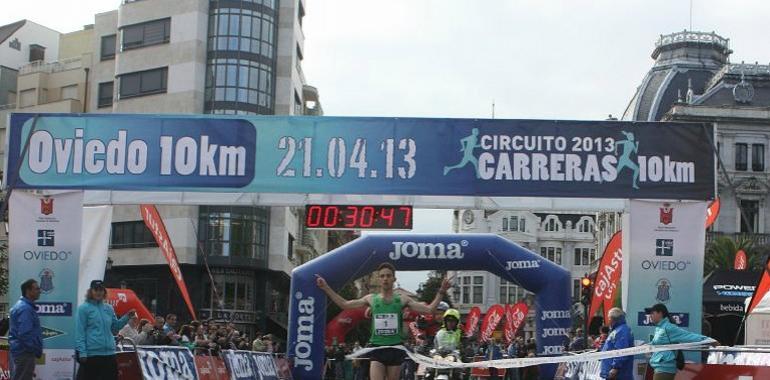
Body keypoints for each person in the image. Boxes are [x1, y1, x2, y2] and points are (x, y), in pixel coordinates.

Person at [317, 263, 451, 380]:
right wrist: (325, 287)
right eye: (382, 276)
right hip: (377, 348)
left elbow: (429, 310)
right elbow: (345, 304)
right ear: (379, 279)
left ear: (394, 278)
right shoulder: (371, 299)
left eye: (388, 276)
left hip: (395, 348)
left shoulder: (402, 299)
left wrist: (442, 291)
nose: (385, 278)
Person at [75, 280, 135, 380]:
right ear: (91, 291)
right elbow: (79, 332)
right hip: (91, 355)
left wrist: (127, 317)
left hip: (109, 354)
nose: (99, 292)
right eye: (96, 290)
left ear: (104, 292)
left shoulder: (109, 308)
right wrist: (82, 352)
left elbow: (114, 328)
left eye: (101, 290)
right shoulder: (83, 309)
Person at [646, 303, 716, 380]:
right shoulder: (659, 328)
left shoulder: (669, 327)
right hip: (660, 367)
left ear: (660, 313)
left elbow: (688, 335)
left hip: (665, 367)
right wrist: (642, 347)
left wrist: (708, 340)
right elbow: (655, 343)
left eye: (653, 313)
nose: (651, 316)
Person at [9, 279, 42, 380]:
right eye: (36, 289)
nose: (40, 291)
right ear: (28, 291)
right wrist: (34, 349)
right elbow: (24, 334)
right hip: (24, 353)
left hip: (22, 352)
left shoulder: (24, 307)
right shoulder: (25, 309)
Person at [599, 308, 634, 380]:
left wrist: (615, 367)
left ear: (613, 318)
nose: (608, 320)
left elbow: (621, 350)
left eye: (609, 318)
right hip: (613, 372)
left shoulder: (621, 331)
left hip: (619, 374)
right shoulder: (617, 330)